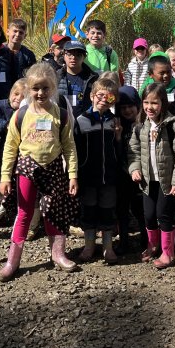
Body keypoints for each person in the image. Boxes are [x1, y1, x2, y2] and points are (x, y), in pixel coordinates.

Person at [0, 63, 80, 281]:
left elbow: (69, 146)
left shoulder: (61, 115)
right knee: (24, 212)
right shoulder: (21, 115)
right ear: (28, 89)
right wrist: (5, 176)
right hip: (27, 168)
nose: (40, 93)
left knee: (54, 210)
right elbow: (10, 147)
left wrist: (72, 174)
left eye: (45, 88)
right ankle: (12, 260)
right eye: (35, 88)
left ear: (53, 88)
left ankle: (58, 254)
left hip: (54, 168)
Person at [128, 83, 175, 269]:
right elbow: (133, 151)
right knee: (148, 215)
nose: (150, 107)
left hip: (166, 181)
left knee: (164, 215)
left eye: (154, 103)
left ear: (163, 103)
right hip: (147, 181)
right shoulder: (140, 125)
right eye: (146, 102)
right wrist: (134, 169)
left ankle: (168, 252)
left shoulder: (172, 125)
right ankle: (153, 245)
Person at [74, 78, 121, 264]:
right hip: (88, 176)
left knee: (108, 210)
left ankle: (108, 246)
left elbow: (118, 150)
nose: (104, 99)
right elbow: (75, 150)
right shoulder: (81, 121)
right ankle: (89, 245)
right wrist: (76, 175)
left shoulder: (114, 121)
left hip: (109, 176)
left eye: (109, 97)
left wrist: (118, 136)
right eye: (100, 95)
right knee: (89, 210)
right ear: (92, 96)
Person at [0, 79, 27, 226]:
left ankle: (13, 211)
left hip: (18, 153)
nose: (18, 98)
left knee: (15, 183)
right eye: (16, 94)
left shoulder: (27, 111)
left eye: (23, 96)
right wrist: (5, 125)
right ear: (10, 93)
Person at [114, 86, 146, 255]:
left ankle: (146, 239)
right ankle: (124, 241)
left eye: (130, 106)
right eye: (123, 107)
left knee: (140, 209)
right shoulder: (118, 125)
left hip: (140, 174)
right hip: (122, 174)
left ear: (137, 105)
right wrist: (118, 137)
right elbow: (116, 152)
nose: (127, 110)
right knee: (122, 209)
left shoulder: (143, 124)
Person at [57, 41, 99, 117]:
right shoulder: (55, 77)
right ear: (63, 55)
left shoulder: (93, 79)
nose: (73, 57)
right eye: (69, 54)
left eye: (78, 55)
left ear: (84, 57)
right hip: (62, 120)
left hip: (86, 120)